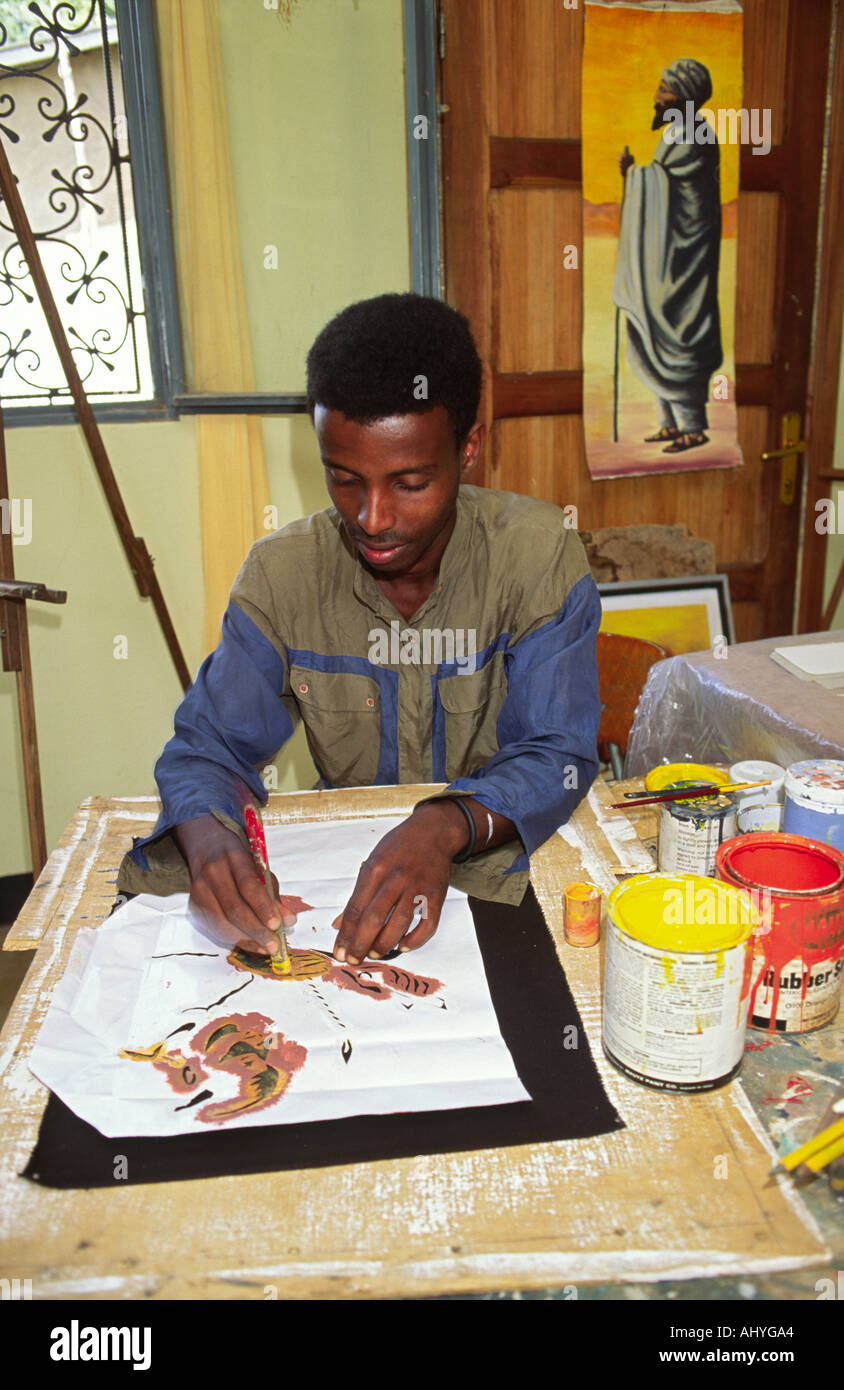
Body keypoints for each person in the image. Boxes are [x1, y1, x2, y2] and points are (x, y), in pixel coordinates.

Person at [117, 294, 601, 963]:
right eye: (343, 479)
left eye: (409, 482)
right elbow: (208, 748)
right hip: (341, 880)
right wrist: (209, 841)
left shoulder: (538, 555)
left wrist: (441, 826)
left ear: (469, 447)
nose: (372, 517)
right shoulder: (283, 574)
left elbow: (560, 753)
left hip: (498, 868)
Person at [614, 58, 723, 453]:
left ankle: (692, 427)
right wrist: (639, 176)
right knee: (652, 327)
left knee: (680, 332)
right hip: (664, 257)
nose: (657, 98)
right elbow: (663, 182)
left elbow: (673, 190)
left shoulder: (696, 136)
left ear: (684, 96)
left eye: (664, 90)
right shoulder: (678, 132)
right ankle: (669, 423)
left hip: (685, 261)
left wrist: (634, 175)